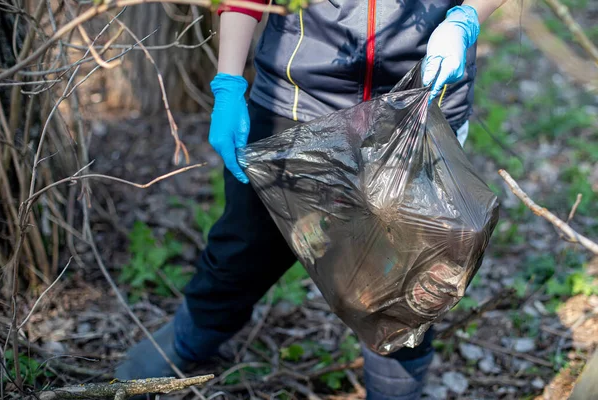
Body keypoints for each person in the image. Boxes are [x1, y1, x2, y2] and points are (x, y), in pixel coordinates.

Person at [115, 1, 507, 398]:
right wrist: (229, 82)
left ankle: (396, 389)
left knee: (410, 276)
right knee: (243, 247)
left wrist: (466, 18)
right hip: (298, 104)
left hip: (421, 99)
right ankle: (189, 339)